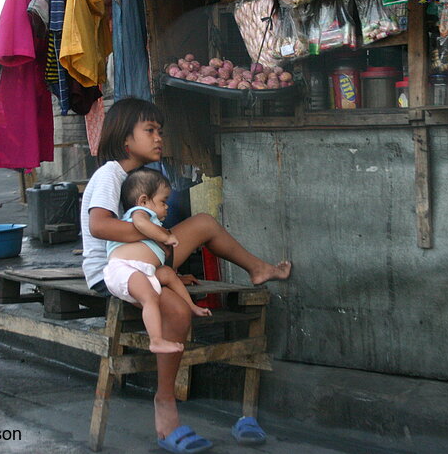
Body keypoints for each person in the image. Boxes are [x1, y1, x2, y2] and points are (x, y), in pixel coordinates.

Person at [80, 97, 291, 452]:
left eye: (160, 130)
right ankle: (166, 408)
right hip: (113, 270)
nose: (159, 137)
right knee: (177, 310)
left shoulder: (138, 177)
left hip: (141, 262)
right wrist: (157, 237)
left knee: (204, 223)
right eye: (149, 130)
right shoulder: (110, 174)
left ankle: (256, 268)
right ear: (125, 140)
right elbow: (100, 226)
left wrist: (160, 257)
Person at [104, 167, 212, 354]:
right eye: (163, 201)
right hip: (123, 270)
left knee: (168, 274)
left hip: (142, 271)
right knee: (150, 297)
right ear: (144, 200)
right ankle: (156, 340)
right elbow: (140, 224)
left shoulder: (152, 219)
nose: (167, 207)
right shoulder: (139, 213)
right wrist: (165, 238)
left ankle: (192, 306)